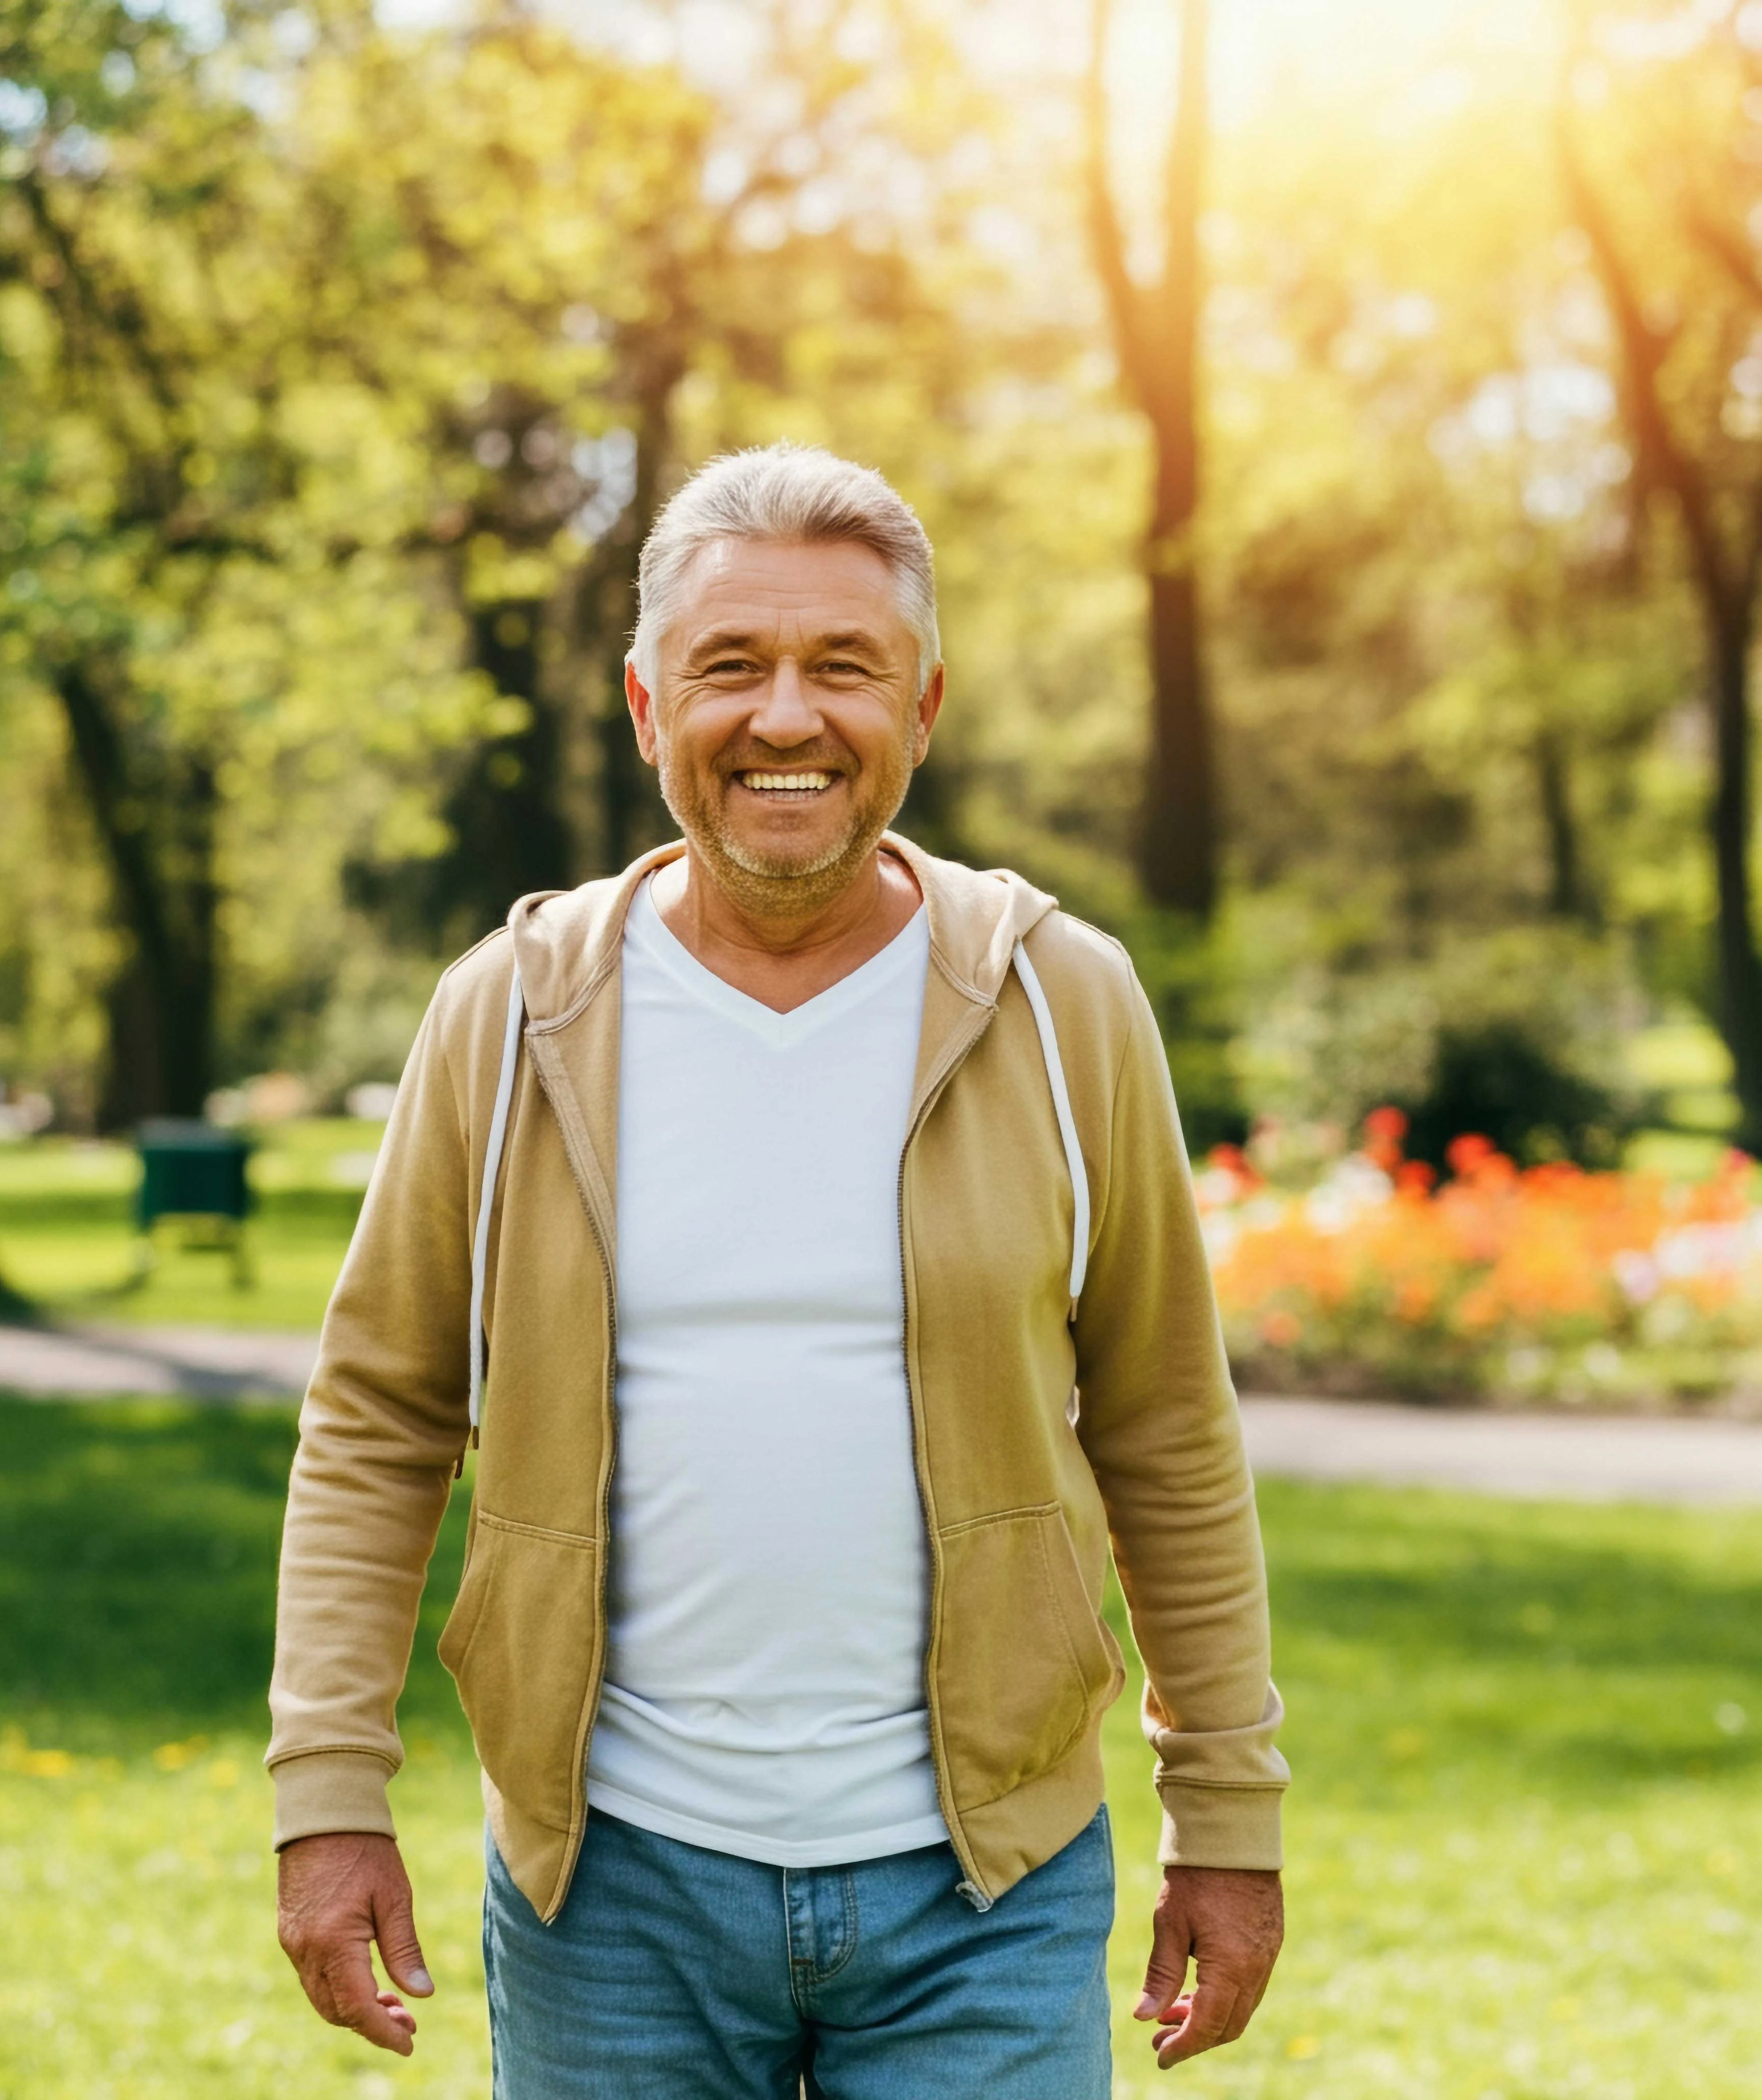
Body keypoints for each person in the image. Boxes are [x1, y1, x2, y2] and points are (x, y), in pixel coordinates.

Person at [268, 444, 1288, 2097]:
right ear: (647, 703)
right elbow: (378, 1418)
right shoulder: (513, 1013)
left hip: (991, 1890)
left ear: (925, 705)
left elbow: (1168, 1423)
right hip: (608, 1891)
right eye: (731, 667)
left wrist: (1227, 1814)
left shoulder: (1062, 1003)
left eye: (844, 667)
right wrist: (328, 1792)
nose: (788, 719)